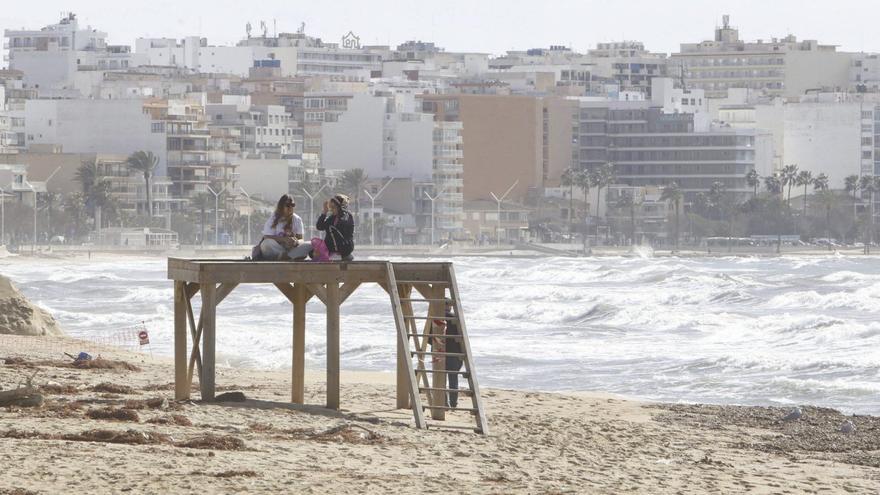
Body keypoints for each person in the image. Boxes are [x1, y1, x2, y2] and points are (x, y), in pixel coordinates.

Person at [258, 194, 311, 260]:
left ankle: (286, 256)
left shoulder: (297, 219)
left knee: (310, 244)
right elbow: (266, 237)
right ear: (281, 206)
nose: (291, 207)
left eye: (293, 205)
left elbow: (301, 239)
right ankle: (287, 256)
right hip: (277, 249)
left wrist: (295, 242)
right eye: (288, 205)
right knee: (266, 244)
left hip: (291, 249)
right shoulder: (273, 219)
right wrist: (284, 239)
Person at [316, 193, 355, 261]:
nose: (331, 209)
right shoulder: (332, 218)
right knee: (312, 252)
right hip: (332, 248)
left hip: (344, 247)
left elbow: (340, 225)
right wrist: (324, 212)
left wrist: (339, 212)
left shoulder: (347, 216)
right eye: (331, 207)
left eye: (333, 207)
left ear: (340, 207)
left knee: (331, 227)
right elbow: (320, 227)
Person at [442, 299, 464, 408]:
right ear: (449, 306)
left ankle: (444, 403)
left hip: (440, 352)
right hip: (454, 353)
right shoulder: (455, 318)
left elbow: (429, 339)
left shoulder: (434, 318)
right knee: (453, 379)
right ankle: (453, 403)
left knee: (440, 379)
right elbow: (462, 337)